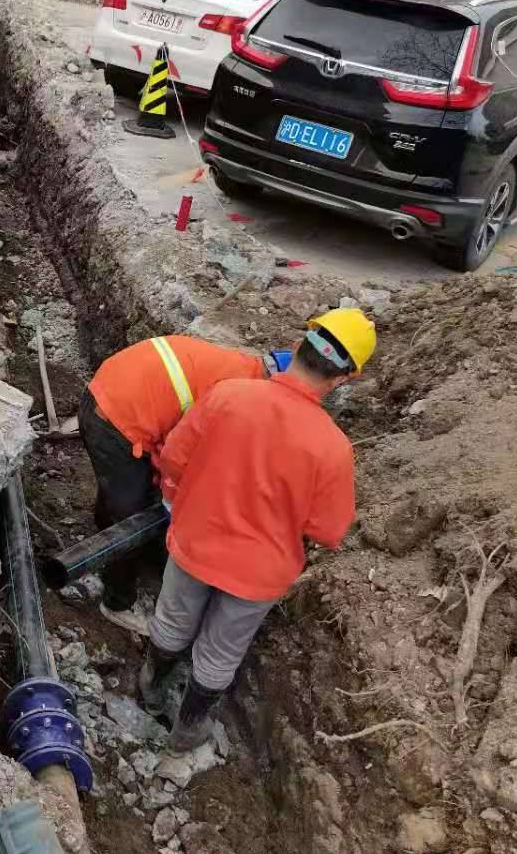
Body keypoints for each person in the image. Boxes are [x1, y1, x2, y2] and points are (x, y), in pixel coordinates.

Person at [138, 308, 376, 751]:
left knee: (172, 619)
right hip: (258, 575)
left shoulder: (227, 395)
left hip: (195, 543)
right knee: (220, 651)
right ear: (343, 378)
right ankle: (188, 730)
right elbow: (328, 530)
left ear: (299, 348)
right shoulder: (333, 448)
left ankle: (150, 691)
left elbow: (173, 457)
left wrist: (181, 495)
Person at [79, 334, 292, 635]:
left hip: (108, 391)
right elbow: (182, 454)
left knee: (124, 494)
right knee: (130, 512)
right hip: (116, 420)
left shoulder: (239, 367)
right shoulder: (236, 397)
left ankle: (115, 540)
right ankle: (117, 601)